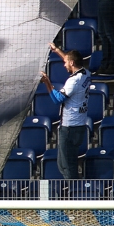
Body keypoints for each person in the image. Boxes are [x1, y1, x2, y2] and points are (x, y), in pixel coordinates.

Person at [39, 44, 90, 181]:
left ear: (72, 63)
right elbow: (70, 60)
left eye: (66, 62)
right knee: (66, 164)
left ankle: (74, 196)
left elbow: (57, 99)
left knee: (66, 166)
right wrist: (56, 51)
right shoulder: (85, 73)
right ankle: (75, 193)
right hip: (79, 126)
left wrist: (47, 82)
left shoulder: (73, 81)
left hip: (69, 129)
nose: (64, 65)